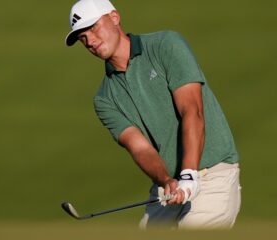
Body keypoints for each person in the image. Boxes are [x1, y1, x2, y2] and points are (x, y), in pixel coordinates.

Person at [65, 0, 241, 229]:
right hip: (167, 189)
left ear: (115, 17)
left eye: (94, 27)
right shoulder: (104, 98)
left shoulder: (165, 45)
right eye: (82, 37)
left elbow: (192, 110)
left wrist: (189, 174)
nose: (90, 40)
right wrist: (167, 180)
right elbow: (140, 148)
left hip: (212, 176)